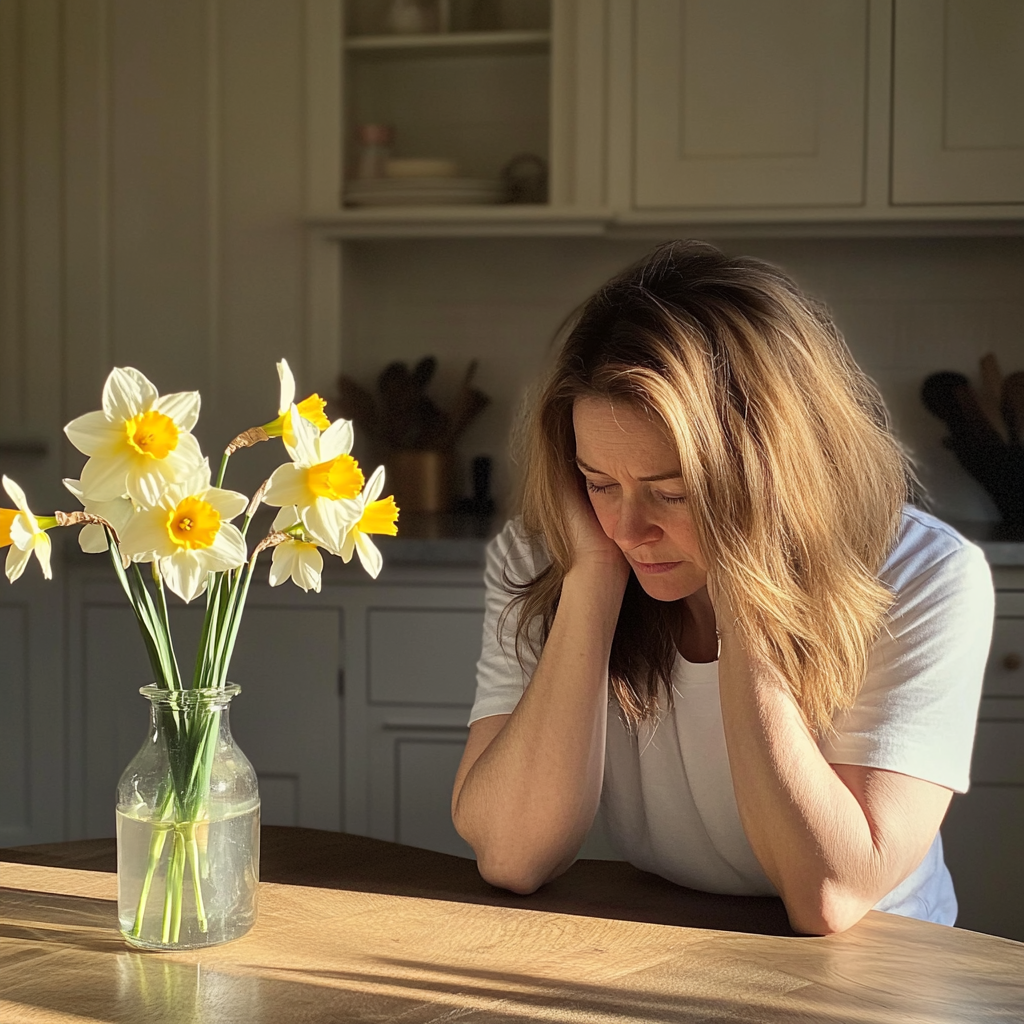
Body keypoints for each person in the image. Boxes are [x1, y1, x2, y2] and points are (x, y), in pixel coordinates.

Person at [451, 240, 994, 936]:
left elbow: (829, 895)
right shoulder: (561, 553)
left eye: (672, 492)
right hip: (673, 934)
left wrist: (745, 575)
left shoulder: (924, 575)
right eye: (598, 483)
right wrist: (592, 581)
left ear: (776, 472)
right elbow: (513, 854)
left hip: (884, 964)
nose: (626, 527)